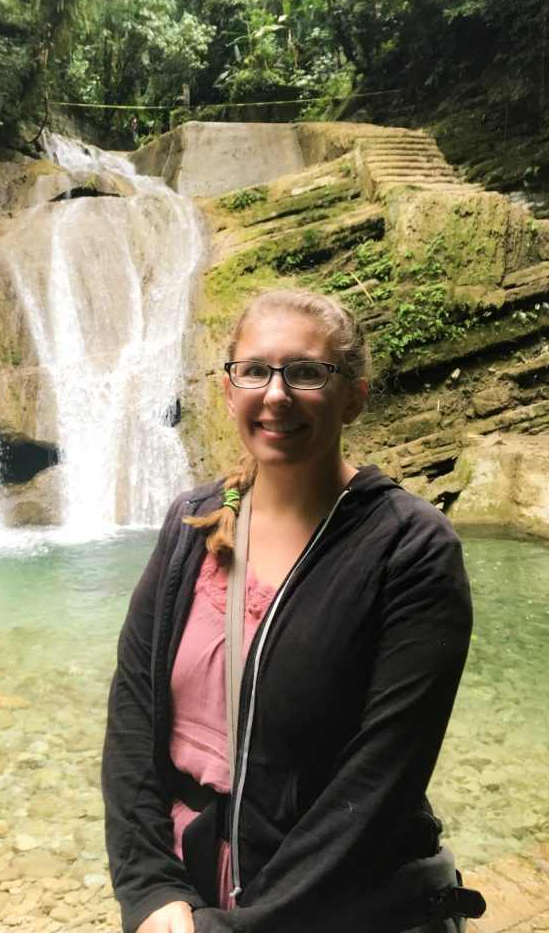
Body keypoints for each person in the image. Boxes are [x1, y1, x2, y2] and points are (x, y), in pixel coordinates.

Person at [102, 288, 485, 933]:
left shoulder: (410, 550)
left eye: (307, 372)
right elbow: (134, 716)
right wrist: (150, 887)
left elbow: (378, 785)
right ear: (229, 392)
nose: (275, 393)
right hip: (190, 899)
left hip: (343, 911)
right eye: (255, 370)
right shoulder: (190, 526)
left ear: (353, 397)